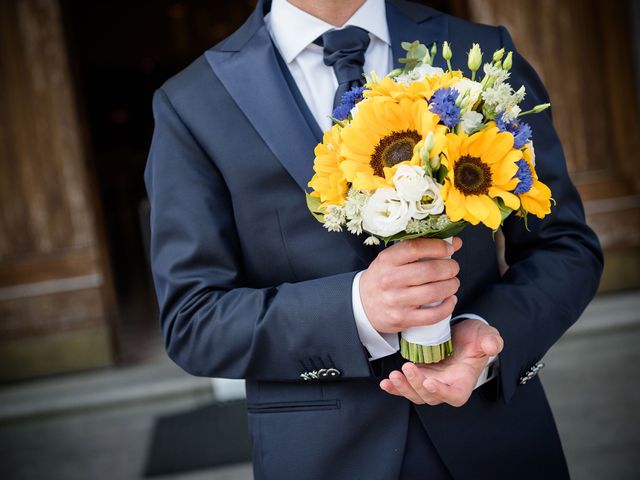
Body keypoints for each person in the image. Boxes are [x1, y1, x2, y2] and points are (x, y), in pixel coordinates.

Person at [144, 0, 603, 478]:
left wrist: (489, 334)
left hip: (497, 439)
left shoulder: (477, 51)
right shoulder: (192, 103)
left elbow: (564, 246)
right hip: (324, 456)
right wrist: (356, 309)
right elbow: (192, 319)